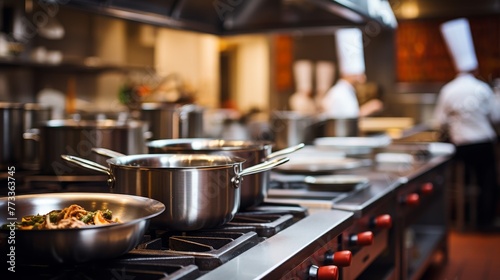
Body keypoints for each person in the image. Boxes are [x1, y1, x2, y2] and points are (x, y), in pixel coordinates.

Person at [433, 18, 500, 229]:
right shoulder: (482, 88)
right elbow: (496, 118)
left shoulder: (448, 90)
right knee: (487, 182)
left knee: (454, 182)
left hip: (460, 148)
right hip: (483, 145)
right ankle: (484, 221)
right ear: (475, 67)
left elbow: (439, 121)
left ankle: (454, 219)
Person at [321, 28, 383, 118]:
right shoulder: (339, 93)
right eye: (360, 74)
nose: (364, 78)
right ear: (351, 74)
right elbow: (348, 120)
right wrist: (367, 109)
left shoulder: (347, 92)